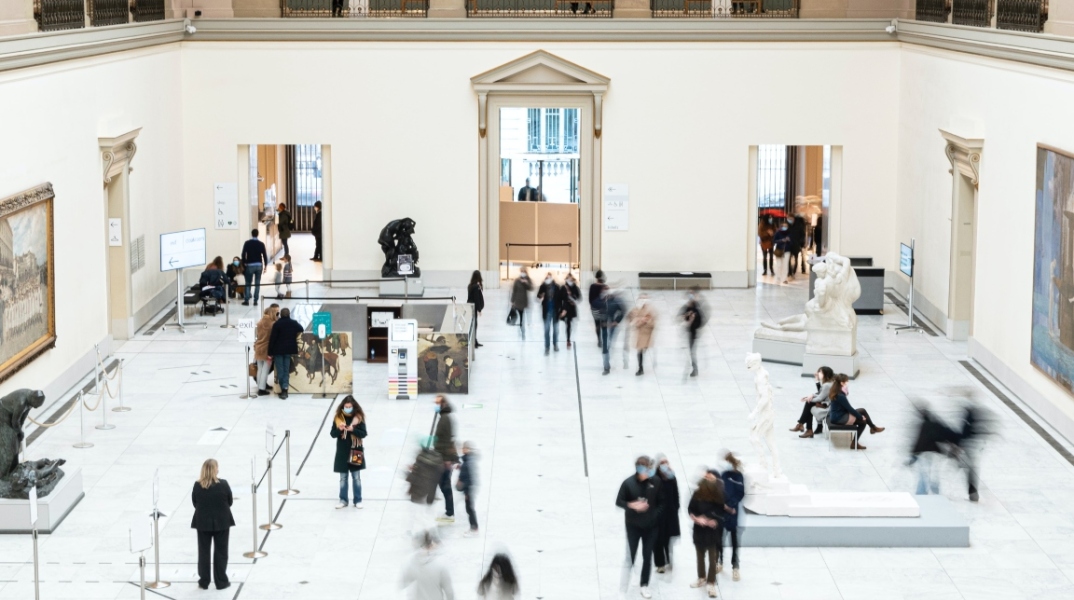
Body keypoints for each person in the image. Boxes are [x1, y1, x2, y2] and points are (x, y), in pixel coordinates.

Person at [615, 456, 662, 599]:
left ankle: (644, 585)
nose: (648, 472)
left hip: (651, 527)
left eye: (649, 469)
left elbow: (662, 503)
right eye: (646, 469)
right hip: (633, 527)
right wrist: (632, 505)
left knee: (647, 556)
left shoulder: (656, 482)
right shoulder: (628, 483)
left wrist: (653, 515)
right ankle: (623, 590)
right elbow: (619, 501)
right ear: (639, 469)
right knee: (629, 557)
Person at [191, 458, 234, 591]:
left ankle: (204, 581)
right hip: (222, 522)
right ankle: (221, 581)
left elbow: (195, 502)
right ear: (215, 470)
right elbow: (230, 501)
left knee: (203, 552)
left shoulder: (197, 485)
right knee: (221, 552)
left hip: (203, 522)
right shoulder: (223, 484)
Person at [687, 475, 725, 597]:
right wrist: (696, 518)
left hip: (712, 533)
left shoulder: (718, 496)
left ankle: (711, 582)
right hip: (699, 531)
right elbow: (690, 509)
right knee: (700, 557)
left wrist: (714, 520)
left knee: (712, 559)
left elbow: (721, 513)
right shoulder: (697, 495)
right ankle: (701, 577)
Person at [828, 373, 885, 450]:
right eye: (846, 381)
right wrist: (860, 417)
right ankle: (855, 443)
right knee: (863, 422)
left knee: (862, 410)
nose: (848, 383)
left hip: (838, 415)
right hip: (839, 418)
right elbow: (849, 409)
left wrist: (859, 415)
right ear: (842, 383)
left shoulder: (836, 391)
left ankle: (873, 427)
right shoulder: (840, 396)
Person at [331, 396, 367, 508]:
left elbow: (363, 433)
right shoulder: (338, 418)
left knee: (356, 477)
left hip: (355, 450)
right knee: (343, 478)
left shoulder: (358, 418)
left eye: (349, 407)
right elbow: (333, 434)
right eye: (346, 407)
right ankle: (343, 500)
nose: (347, 408)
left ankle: (358, 500)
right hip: (342, 452)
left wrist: (353, 430)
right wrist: (339, 429)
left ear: (353, 407)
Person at [401, 530, 455, 600]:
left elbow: (403, 584)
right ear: (430, 545)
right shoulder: (440, 565)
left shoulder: (410, 564)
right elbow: (449, 592)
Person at [718, 452, 745, 581]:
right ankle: (720, 562)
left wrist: (730, 506)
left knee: (734, 541)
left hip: (733, 513)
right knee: (720, 540)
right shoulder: (724, 475)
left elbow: (740, 493)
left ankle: (735, 567)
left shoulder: (739, 476)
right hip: (722, 511)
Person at [433, 395, 460, 524]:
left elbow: (447, 440)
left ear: (442, 404)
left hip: (444, 459)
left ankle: (450, 513)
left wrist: (448, 459)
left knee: (445, 486)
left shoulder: (445, 419)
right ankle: (449, 512)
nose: (435, 405)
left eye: (437, 403)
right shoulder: (444, 417)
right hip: (443, 457)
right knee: (443, 484)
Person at [653, 455, 680, 575]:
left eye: (666, 462)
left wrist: (676, 507)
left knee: (668, 538)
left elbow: (676, 494)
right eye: (662, 463)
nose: (664, 465)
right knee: (658, 539)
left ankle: (668, 559)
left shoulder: (672, 477)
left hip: (670, 513)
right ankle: (660, 564)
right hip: (658, 514)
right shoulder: (654, 479)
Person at [268, 307, 303, 399]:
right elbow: (301, 329)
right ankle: (285, 388)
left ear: (280, 315)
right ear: (289, 314)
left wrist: (270, 351)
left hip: (278, 351)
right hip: (289, 350)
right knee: (286, 369)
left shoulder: (277, 324)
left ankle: (283, 389)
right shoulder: (293, 323)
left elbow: (272, 339)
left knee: (280, 370)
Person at [790, 366, 835, 438]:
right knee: (809, 403)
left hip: (828, 407)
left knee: (809, 403)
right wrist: (811, 396)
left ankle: (803, 425)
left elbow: (820, 397)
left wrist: (807, 399)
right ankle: (805, 427)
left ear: (826, 374)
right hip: (827, 404)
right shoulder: (829, 383)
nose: (818, 373)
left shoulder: (827, 385)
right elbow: (820, 393)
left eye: (820, 372)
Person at [628, 294, 656, 376]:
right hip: (639, 334)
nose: (643, 300)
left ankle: (641, 367)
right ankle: (640, 368)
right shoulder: (636, 309)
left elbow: (653, 323)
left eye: (644, 298)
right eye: (641, 298)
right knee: (639, 351)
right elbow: (631, 319)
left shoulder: (650, 310)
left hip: (647, 333)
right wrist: (638, 320)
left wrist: (646, 321)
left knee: (643, 349)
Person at [601, 286, 625, 375]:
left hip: (611, 326)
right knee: (605, 346)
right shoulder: (602, 300)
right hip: (603, 325)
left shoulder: (616, 301)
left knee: (607, 345)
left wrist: (616, 321)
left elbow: (622, 312)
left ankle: (606, 366)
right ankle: (606, 365)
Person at [241, 229, 269, 306]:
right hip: (259, 265)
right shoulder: (261, 244)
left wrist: (244, 262)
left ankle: (246, 300)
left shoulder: (247, 243)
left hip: (250, 265)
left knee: (248, 283)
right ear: (258, 234)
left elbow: (243, 254)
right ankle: (255, 301)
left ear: (251, 234)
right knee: (257, 283)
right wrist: (265, 265)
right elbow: (264, 255)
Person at [680, 290, 704, 377]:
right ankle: (693, 368)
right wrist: (686, 316)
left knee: (692, 352)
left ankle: (695, 369)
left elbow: (700, 322)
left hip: (693, 333)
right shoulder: (687, 307)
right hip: (688, 332)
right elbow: (682, 316)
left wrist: (692, 320)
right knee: (690, 351)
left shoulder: (697, 308)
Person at [457, 441, 479, 536]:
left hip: (469, 488)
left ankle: (474, 529)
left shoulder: (469, 461)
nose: (463, 449)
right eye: (463, 447)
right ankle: (474, 528)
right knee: (469, 508)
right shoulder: (467, 460)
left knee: (470, 509)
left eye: (465, 448)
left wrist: (467, 491)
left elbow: (470, 477)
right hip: (468, 488)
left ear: (469, 449)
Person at [537, 272, 561, 354]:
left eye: (549, 277)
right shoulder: (543, 286)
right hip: (547, 311)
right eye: (547, 277)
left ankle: (555, 344)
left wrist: (561, 310)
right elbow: (538, 296)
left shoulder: (557, 287)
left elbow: (560, 299)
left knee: (555, 329)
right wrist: (541, 295)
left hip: (555, 311)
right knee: (547, 329)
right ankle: (547, 347)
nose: (548, 279)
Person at [253, 307, 275, 396]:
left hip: (258, 348)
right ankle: (262, 389)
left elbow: (256, 336)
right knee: (265, 370)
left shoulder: (259, 323)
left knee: (260, 369)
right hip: (267, 349)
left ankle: (259, 386)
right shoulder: (272, 324)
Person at [558, 273, 582, 348]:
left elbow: (579, 298)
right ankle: (568, 339)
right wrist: (560, 309)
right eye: (568, 278)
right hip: (565, 308)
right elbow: (559, 298)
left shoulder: (575, 288)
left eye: (571, 278)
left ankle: (569, 337)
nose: (569, 279)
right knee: (568, 324)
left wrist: (574, 300)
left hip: (572, 308)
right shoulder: (563, 287)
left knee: (571, 324)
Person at [509, 267, 533, 339]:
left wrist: (526, 283)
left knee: (523, 318)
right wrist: (512, 301)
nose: (522, 273)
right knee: (520, 317)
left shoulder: (528, 279)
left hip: (524, 301)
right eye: (521, 271)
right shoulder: (517, 281)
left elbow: (531, 288)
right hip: (518, 302)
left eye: (524, 271)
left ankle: (523, 331)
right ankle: (521, 330)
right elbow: (514, 291)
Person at [466, 271, 485, 349]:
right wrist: (479, 309)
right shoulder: (476, 287)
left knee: (472, 325)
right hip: (473, 308)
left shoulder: (470, 286)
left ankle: (474, 341)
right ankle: (474, 342)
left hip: (469, 306)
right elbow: (477, 299)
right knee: (474, 325)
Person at [589, 270, 606, 346]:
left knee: (597, 324)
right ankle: (604, 340)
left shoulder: (592, 286)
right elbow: (606, 298)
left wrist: (592, 306)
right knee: (603, 324)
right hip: (602, 308)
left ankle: (599, 340)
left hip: (594, 308)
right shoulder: (604, 286)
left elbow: (590, 298)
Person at [772, 220, 792, 285]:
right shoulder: (778, 233)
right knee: (779, 265)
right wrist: (781, 240)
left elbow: (792, 242)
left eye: (786, 226)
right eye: (783, 226)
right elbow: (774, 241)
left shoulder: (789, 233)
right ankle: (778, 278)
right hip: (779, 250)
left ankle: (784, 279)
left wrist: (789, 240)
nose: (784, 227)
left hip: (787, 251)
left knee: (785, 265)